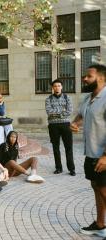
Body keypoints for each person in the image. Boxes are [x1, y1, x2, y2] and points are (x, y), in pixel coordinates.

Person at [70, 64, 106, 238]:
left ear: (101, 78)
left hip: (103, 155)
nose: (84, 78)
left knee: (105, 190)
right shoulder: (88, 98)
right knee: (96, 187)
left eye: (88, 76)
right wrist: (75, 123)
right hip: (90, 153)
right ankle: (100, 224)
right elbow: (82, 115)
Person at [45, 79, 75, 176]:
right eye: (55, 86)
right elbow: (49, 112)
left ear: (61, 87)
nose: (57, 87)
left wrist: (57, 113)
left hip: (66, 125)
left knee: (68, 147)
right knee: (55, 147)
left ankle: (71, 169)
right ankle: (58, 168)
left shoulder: (67, 97)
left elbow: (69, 110)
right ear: (52, 88)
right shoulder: (48, 99)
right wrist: (62, 111)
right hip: (53, 126)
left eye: (58, 85)